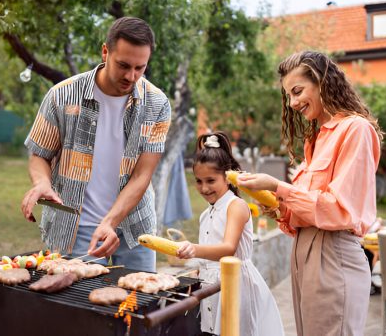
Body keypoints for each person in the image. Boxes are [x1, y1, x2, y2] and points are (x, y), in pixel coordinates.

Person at [237, 51, 383, 335]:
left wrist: (278, 186)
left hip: (334, 253)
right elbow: (308, 210)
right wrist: (279, 206)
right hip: (305, 251)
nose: (292, 103)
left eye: (298, 91)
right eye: (288, 95)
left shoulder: (356, 130)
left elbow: (339, 210)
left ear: (322, 82)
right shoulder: (314, 141)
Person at [20, 17, 171, 272]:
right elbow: (39, 154)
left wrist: (110, 222)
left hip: (135, 226)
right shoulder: (62, 95)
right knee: (79, 306)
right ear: (105, 51)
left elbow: (142, 175)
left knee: (139, 303)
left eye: (140, 68)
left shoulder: (157, 104)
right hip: (75, 227)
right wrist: (42, 183)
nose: (130, 76)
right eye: (123, 65)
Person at [176, 132, 284, 336]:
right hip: (212, 287)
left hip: (236, 285)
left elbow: (228, 249)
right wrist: (199, 270)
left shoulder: (237, 206)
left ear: (227, 176)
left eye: (210, 180)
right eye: (198, 181)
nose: (204, 188)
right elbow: (210, 253)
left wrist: (194, 249)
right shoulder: (205, 215)